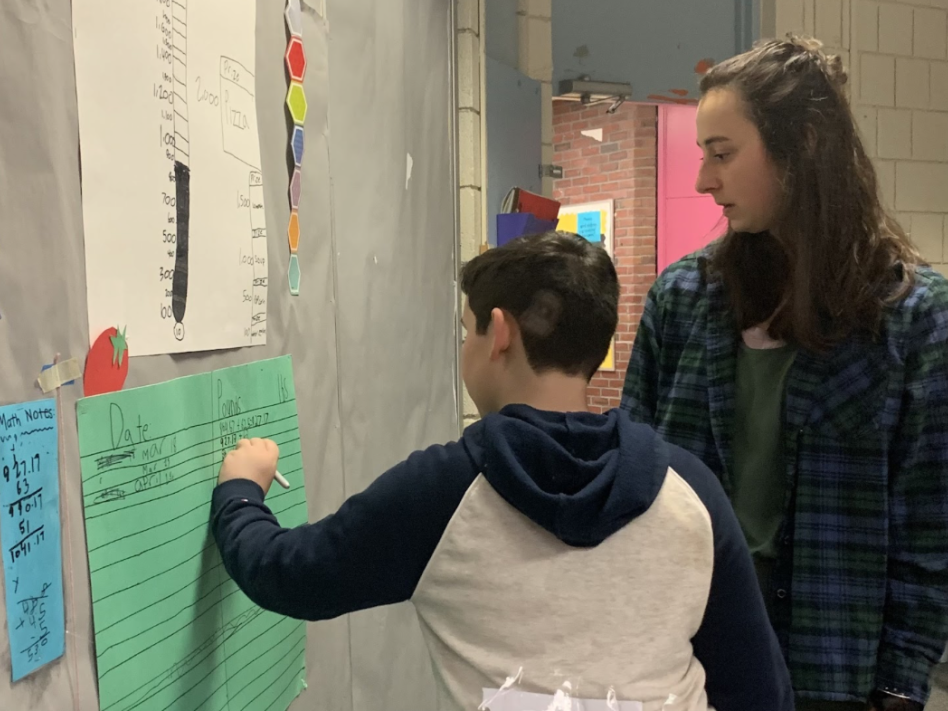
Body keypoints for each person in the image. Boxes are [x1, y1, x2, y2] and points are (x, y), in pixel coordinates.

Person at [211, 231, 794, 711]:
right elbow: (757, 690)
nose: (466, 346)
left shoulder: (444, 492)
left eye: (468, 331)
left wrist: (241, 489)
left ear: (501, 333)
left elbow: (289, 574)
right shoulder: (691, 492)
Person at [621, 37, 948, 711]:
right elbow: (632, 475)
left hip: (832, 664)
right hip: (687, 654)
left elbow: (931, 523)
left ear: (802, 146)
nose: (703, 181)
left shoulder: (915, 315)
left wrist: (901, 680)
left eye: (722, 153)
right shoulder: (682, 300)